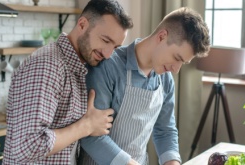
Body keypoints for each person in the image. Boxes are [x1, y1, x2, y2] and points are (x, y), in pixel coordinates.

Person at [2, 0, 133, 164]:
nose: (108, 54)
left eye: (115, 47)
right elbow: (30, 145)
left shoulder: (77, 67)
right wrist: (87, 125)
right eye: (105, 40)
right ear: (83, 24)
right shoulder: (48, 66)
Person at [79, 7, 210, 165]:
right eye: (177, 57)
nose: (176, 69)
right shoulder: (107, 66)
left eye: (183, 62)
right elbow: (90, 136)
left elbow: (165, 131)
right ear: (162, 36)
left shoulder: (165, 79)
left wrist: (172, 162)